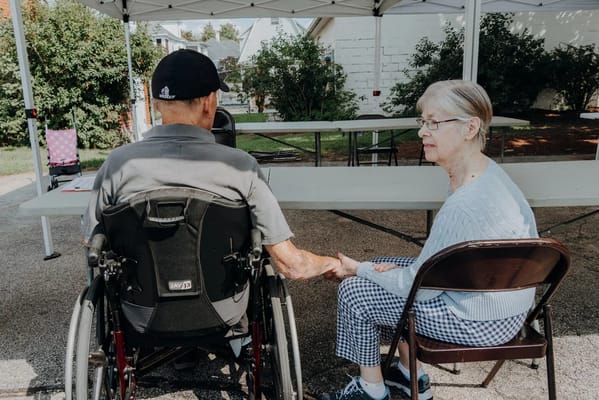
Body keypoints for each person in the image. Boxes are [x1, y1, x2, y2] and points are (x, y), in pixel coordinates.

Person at [83, 49, 340, 324]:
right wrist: (333, 264)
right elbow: (292, 265)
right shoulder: (241, 167)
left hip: (140, 312)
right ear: (209, 102)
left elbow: (90, 241)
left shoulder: (117, 164)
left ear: (157, 104)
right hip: (223, 307)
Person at [320, 80, 538, 400]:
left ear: (470, 127)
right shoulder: (490, 174)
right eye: (422, 122)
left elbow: (416, 290)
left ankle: (371, 390)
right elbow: (433, 270)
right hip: (509, 309)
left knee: (356, 292)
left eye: (434, 122)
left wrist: (359, 269)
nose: (423, 131)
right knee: (388, 268)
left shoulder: (465, 203)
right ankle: (411, 376)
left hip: (481, 322)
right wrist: (380, 269)